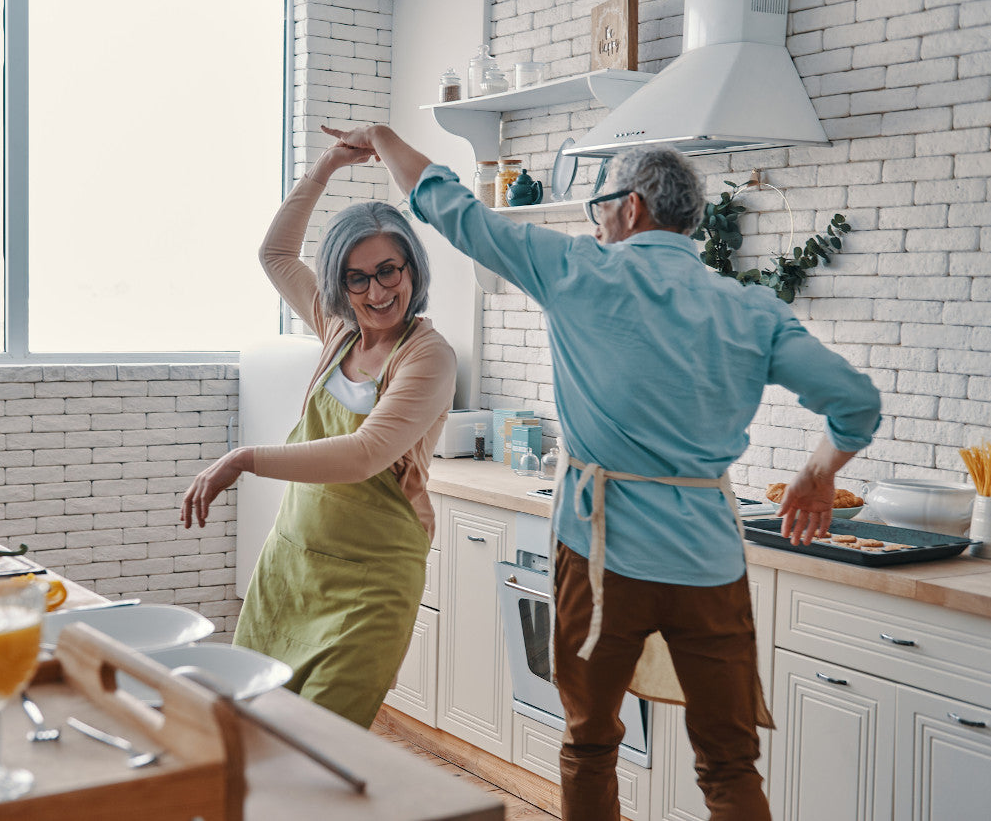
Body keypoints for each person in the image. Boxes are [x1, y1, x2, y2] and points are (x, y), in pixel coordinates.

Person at [318, 123, 880, 819]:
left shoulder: (577, 270)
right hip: (707, 564)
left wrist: (383, 139)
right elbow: (857, 404)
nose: (598, 221)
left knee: (589, 744)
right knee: (729, 763)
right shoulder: (749, 307)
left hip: (599, 559)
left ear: (632, 206)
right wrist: (821, 470)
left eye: (600, 205)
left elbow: (452, 208)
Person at [179, 140, 456, 729]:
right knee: (251, 729)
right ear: (339, 284)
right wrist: (324, 168)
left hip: (371, 583)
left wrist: (246, 459)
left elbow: (365, 454)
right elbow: (276, 253)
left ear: (411, 269)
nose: (377, 293)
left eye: (389, 271)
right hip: (291, 567)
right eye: (357, 279)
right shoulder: (339, 329)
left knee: (322, 742)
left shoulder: (427, 357)